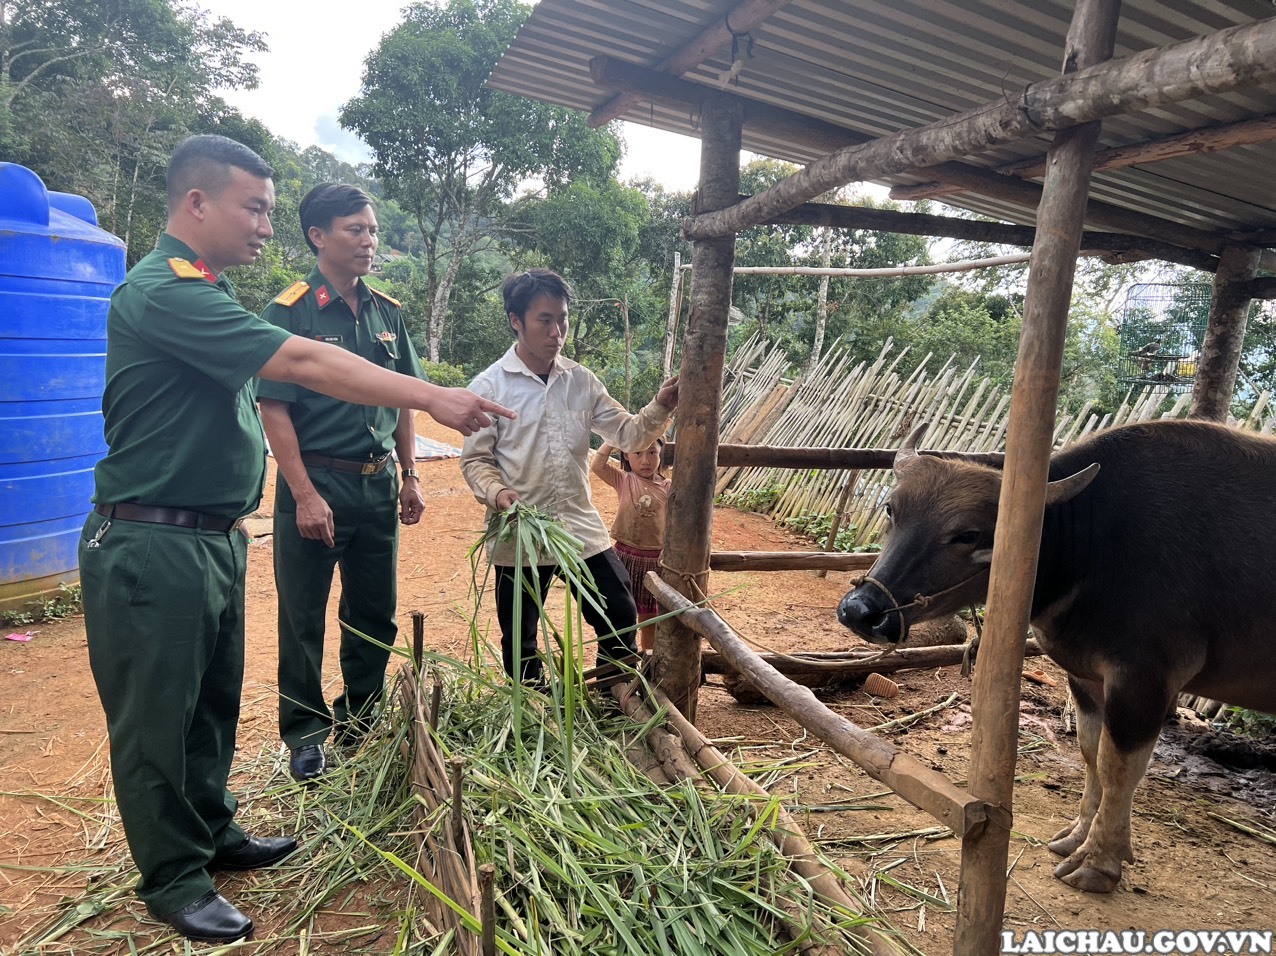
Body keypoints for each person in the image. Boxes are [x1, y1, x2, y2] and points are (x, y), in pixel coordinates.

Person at [79, 135, 513, 945]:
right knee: (156, 720)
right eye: (254, 209)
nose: (263, 227)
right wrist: (434, 395)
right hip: (151, 542)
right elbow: (306, 365)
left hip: (210, 538)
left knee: (208, 704)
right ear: (196, 203)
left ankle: (213, 832)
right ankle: (173, 877)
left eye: (271, 212)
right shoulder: (165, 292)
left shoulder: (212, 292)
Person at [258, 184, 423, 785]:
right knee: (302, 616)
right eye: (355, 229)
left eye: (373, 230)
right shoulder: (290, 311)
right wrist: (302, 492)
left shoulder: (387, 312)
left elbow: (404, 399)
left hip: (376, 487)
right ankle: (305, 734)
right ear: (318, 236)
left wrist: (410, 475)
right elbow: (272, 407)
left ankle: (359, 719)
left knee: (374, 611)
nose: (369, 241)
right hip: (315, 482)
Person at [460, 269, 678, 682]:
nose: (557, 330)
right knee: (520, 634)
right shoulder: (489, 386)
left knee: (619, 611)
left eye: (562, 318)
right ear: (515, 321)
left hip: (577, 523)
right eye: (545, 319)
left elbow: (629, 433)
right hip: (520, 529)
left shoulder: (581, 381)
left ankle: (614, 695)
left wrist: (661, 405)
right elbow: (475, 461)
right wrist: (499, 493)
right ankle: (531, 705)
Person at [590, 437, 670, 652]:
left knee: (649, 617)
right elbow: (597, 465)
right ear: (626, 455)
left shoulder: (670, 487)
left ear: (661, 453)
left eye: (652, 452)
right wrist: (616, 438)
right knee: (621, 611)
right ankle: (624, 660)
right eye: (638, 453)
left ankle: (646, 662)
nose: (646, 460)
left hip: (654, 561)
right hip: (623, 555)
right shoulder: (624, 480)